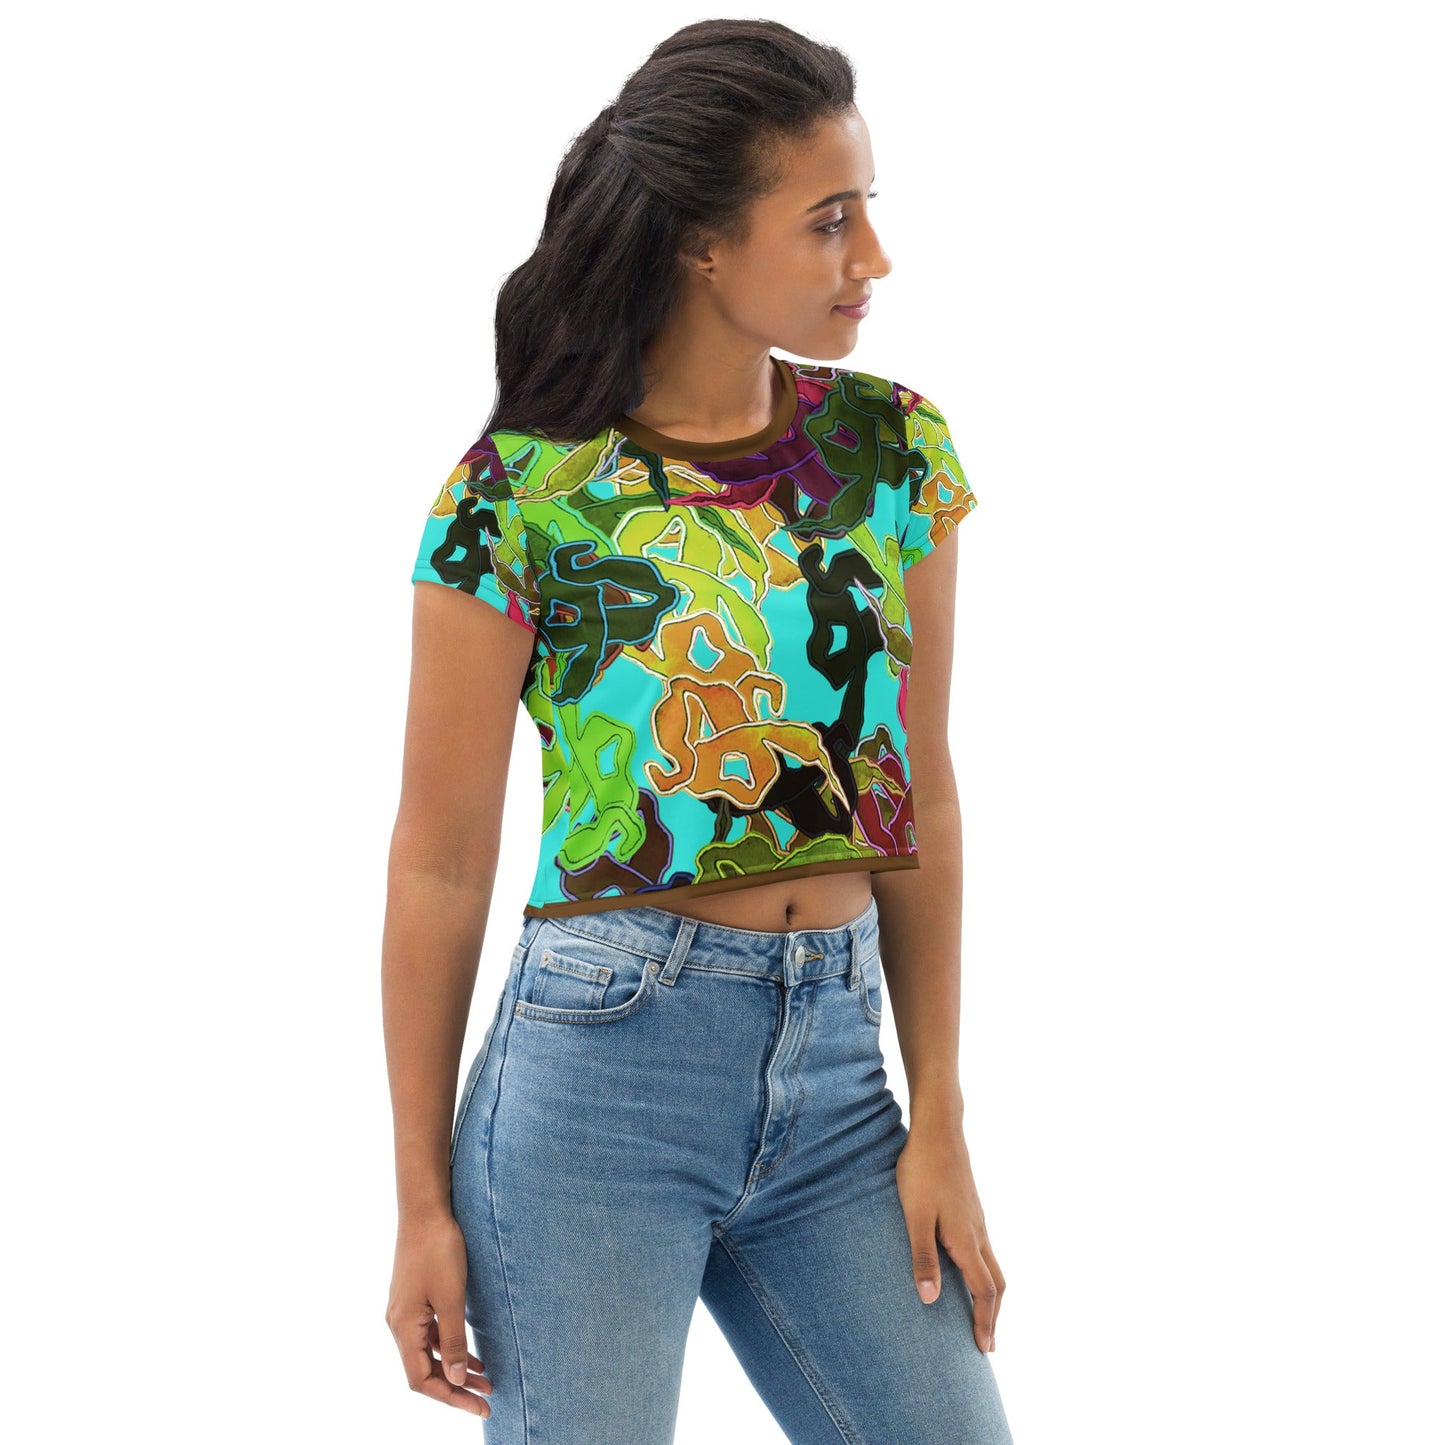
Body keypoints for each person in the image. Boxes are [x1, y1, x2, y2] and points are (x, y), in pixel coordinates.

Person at [382, 18, 1013, 1444]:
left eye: (867, 211)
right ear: (701, 245)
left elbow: (919, 791)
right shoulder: (516, 498)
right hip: (596, 1087)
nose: (872, 258)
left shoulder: (891, 450)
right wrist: (420, 1200)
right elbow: (436, 860)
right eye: (829, 221)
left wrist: (942, 1113)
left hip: (840, 1080)